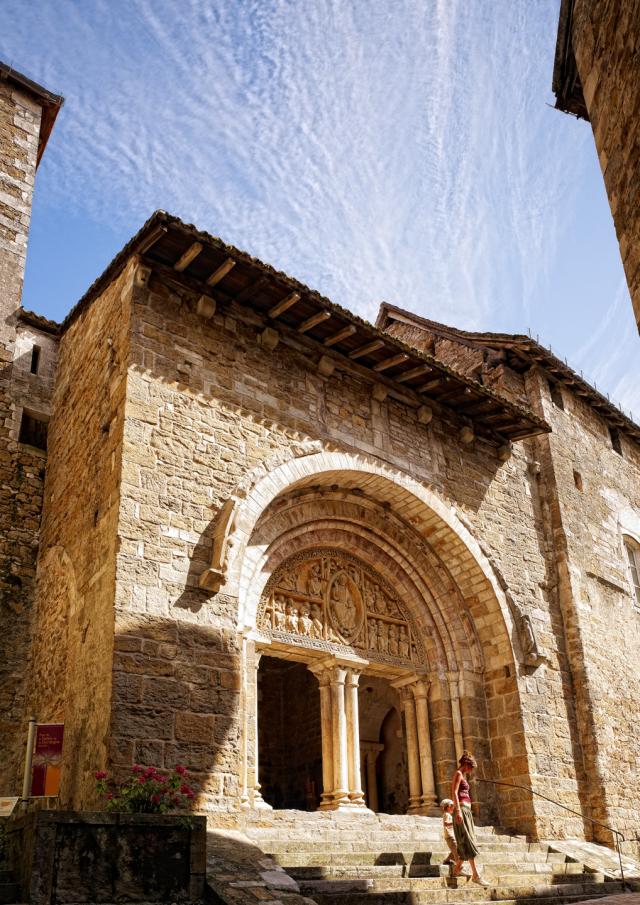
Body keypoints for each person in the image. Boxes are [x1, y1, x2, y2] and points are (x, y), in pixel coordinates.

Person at [451, 751, 489, 886]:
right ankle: (476, 875)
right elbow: (454, 792)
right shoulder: (458, 774)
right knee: (468, 840)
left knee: (467, 840)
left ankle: (456, 869)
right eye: (471, 767)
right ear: (467, 764)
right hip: (461, 810)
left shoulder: (463, 776)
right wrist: (458, 811)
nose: (471, 770)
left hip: (466, 811)